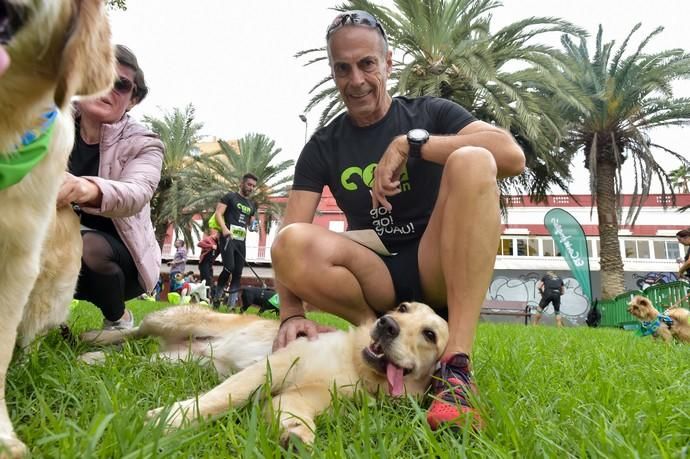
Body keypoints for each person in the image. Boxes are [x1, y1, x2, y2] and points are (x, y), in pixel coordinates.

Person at [270, 10, 525, 430]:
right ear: (333, 72)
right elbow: (289, 233)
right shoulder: (322, 145)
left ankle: (456, 366)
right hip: (376, 276)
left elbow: (511, 156)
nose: (356, 80)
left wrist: (413, 145)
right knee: (291, 242)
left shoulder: (429, 114)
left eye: (367, 64)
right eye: (342, 68)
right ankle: (377, 338)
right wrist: (291, 314)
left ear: (389, 63)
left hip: (437, 264)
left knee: (474, 159)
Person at [57, 45, 163, 330]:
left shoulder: (145, 143)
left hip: (118, 260)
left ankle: (118, 319)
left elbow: (136, 192)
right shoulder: (51, 124)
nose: (107, 87)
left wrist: (86, 188)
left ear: (133, 99)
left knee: (86, 244)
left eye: (120, 84)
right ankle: (47, 316)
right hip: (57, 241)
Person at [211, 173, 258, 309]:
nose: (251, 188)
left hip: (241, 241)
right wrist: (225, 229)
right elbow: (218, 213)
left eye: (254, 186)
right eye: (249, 184)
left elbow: (251, 223)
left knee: (238, 272)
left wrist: (254, 225)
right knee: (229, 267)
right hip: (227, 237)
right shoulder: (230, 197)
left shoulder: (251, 204)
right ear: (241, 183)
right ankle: (217, 297)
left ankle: (231, 306)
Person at [197, 228, 220, 299]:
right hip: (204, 263)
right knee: (205, 280)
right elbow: (199, 243)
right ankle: (204, 297)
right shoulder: (209, 239)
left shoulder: (220, 243)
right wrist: (211, 246)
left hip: (210, 264)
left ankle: (209, 297)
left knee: (210, 280)